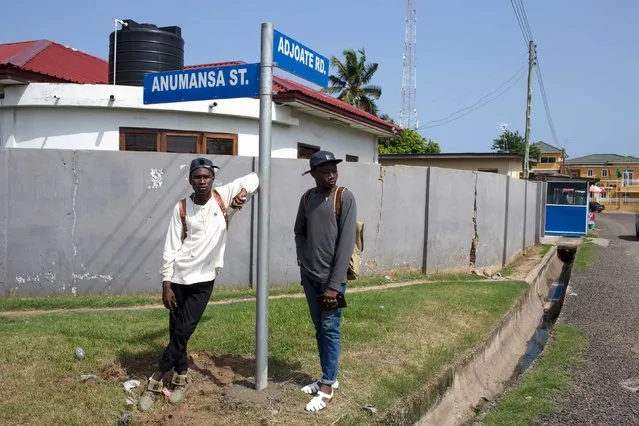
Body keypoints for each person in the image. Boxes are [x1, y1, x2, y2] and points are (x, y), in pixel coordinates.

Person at [138, 157, 259, 412]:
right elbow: (171, 247)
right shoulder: (181, 207)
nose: (202, 181)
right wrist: (166, 283)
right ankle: (181, 376)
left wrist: (244, 194)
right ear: (190, 180)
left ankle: (156, 378)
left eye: (206, 177)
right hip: (179, 278)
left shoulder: (222, 197)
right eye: (197, 177)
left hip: (203, 280)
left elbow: (254, 178)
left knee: (183, 330)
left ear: (213, 178)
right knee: (176, 331)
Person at [294, 150, 357, 412]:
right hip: (310, 277)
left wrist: (334, 285)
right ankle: (326, 376)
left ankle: (328, 387)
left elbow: (346, 244)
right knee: (319, 327)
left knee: (331, 328)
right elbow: (299, 231)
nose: (331, 175)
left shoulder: (344, 197)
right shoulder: (308, 198)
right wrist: (303, 257)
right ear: (314, 174)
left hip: (333, 282)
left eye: (334, 170)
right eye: (325, 171)